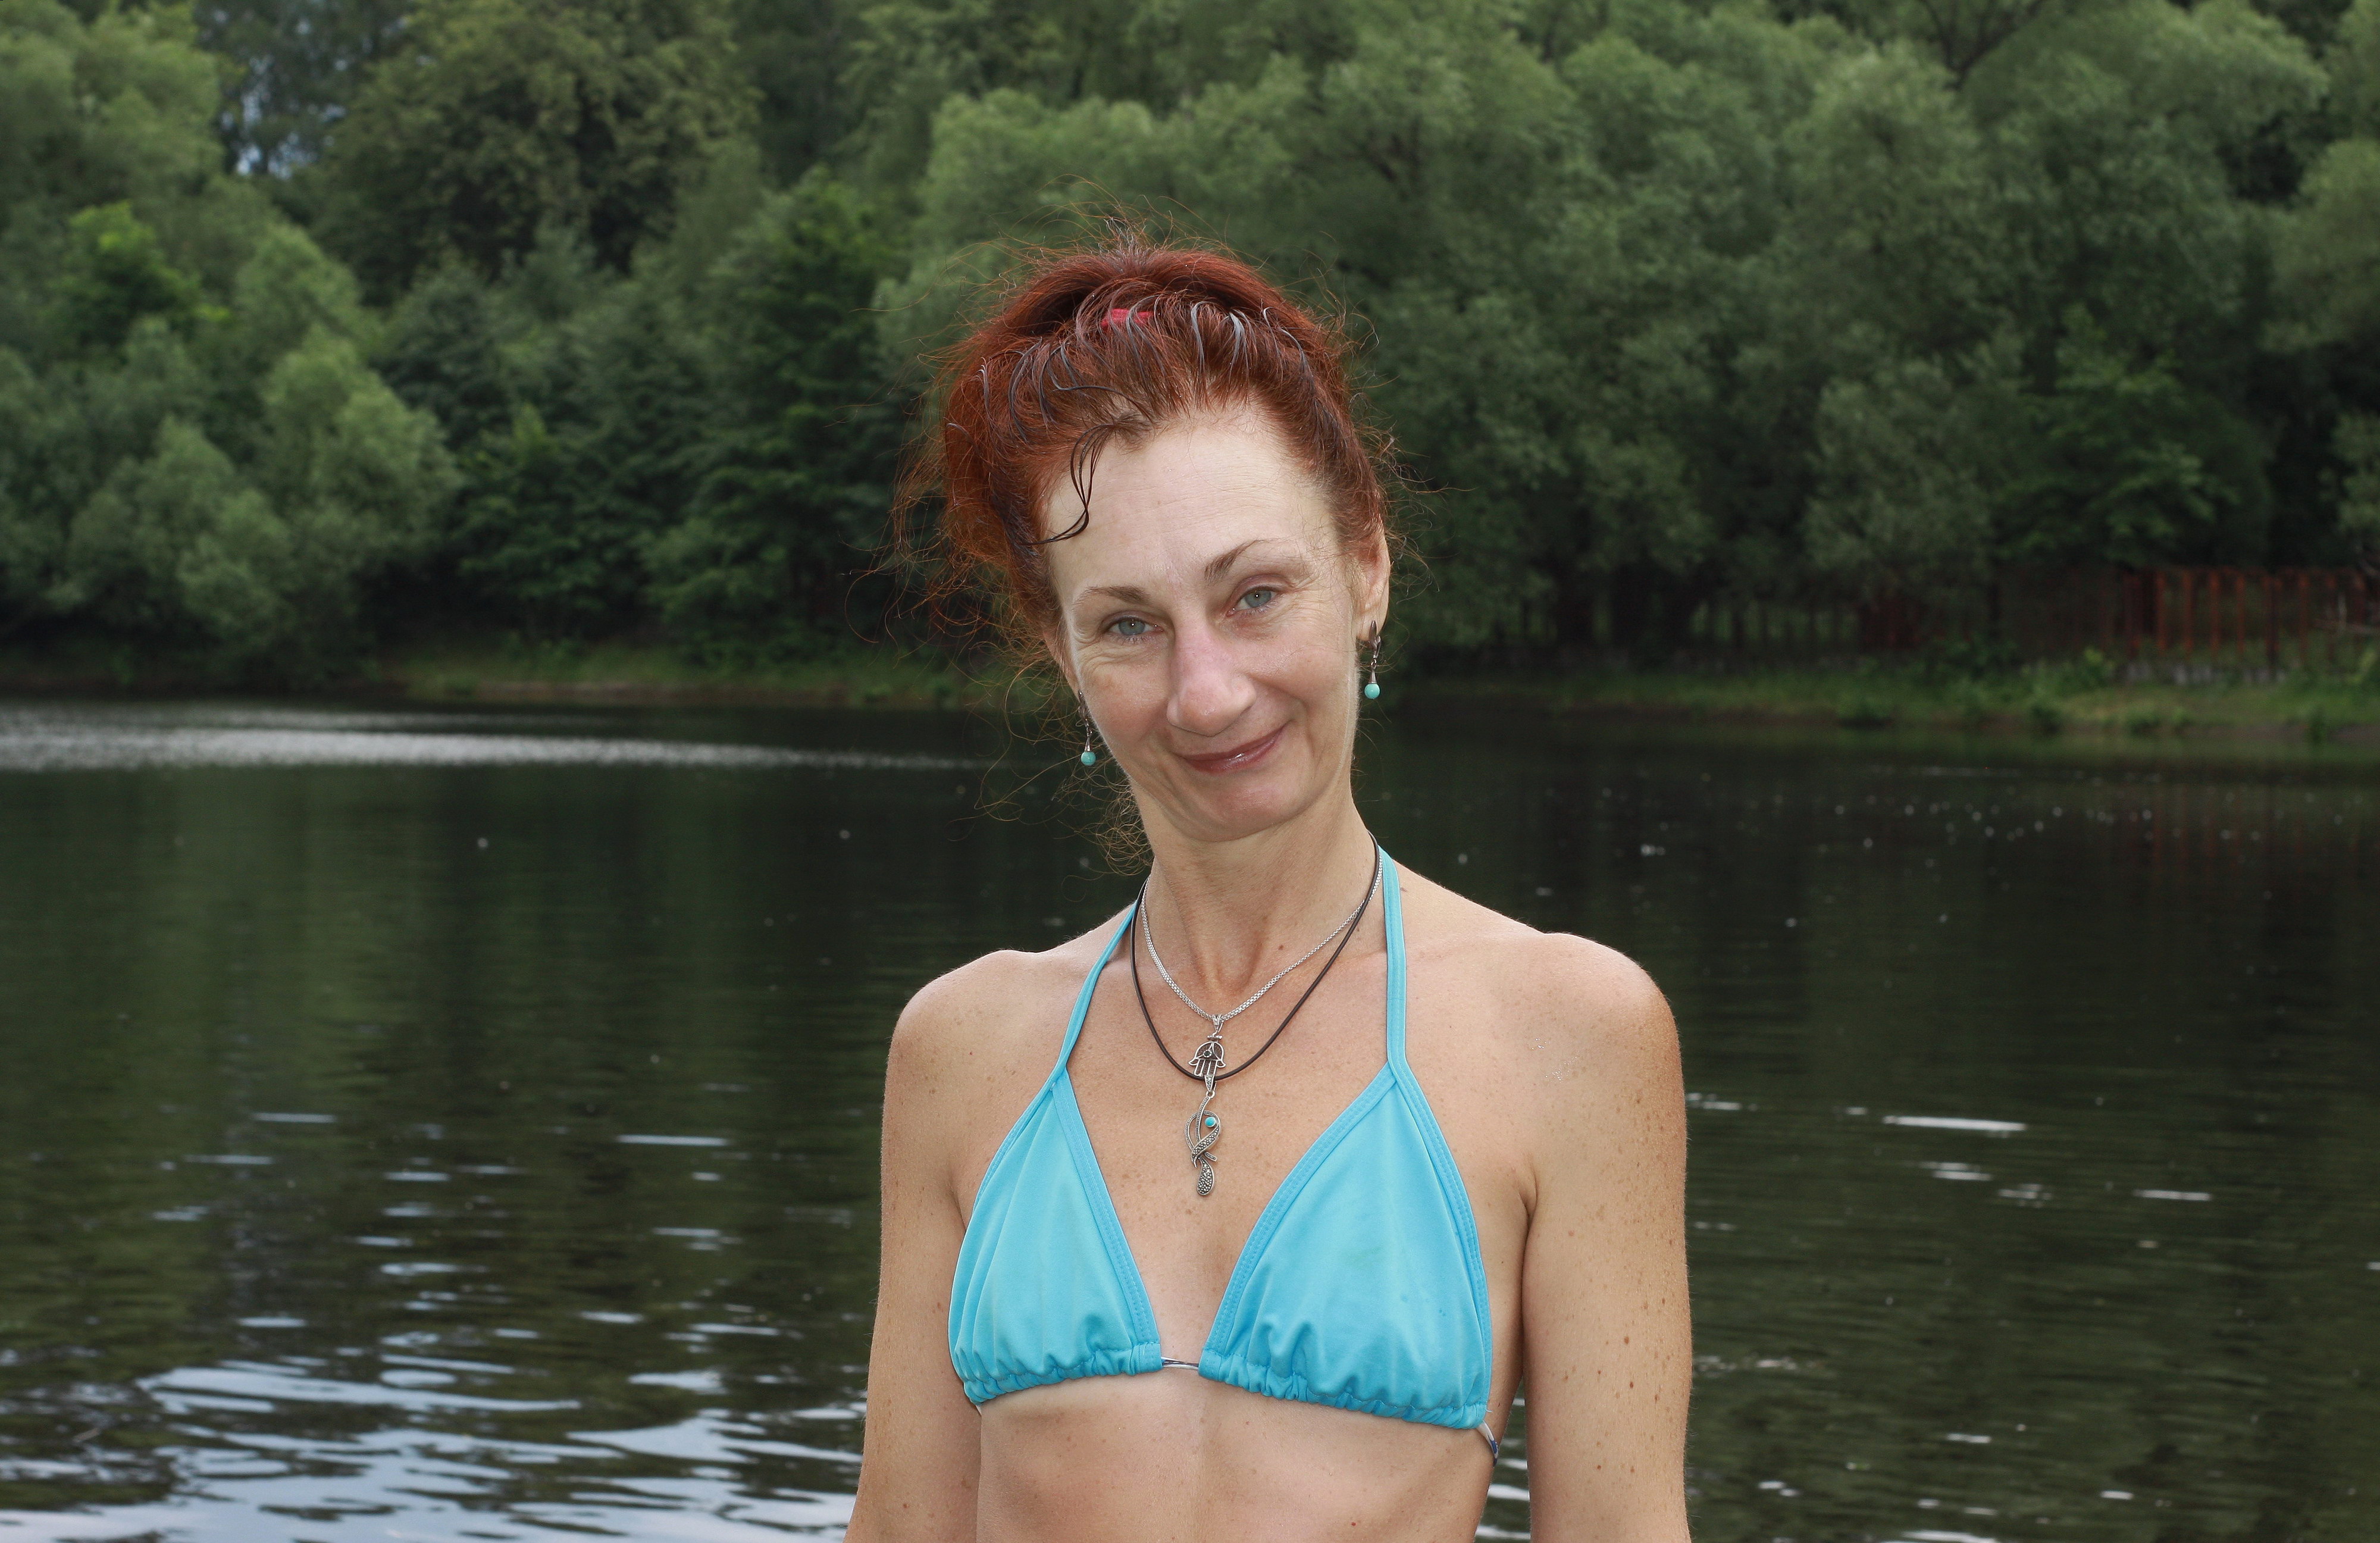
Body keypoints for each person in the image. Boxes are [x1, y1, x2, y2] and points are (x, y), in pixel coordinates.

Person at [847, 233, 1690, 1543]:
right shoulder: (962, 1047)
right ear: (1060, 650)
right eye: (1129, 624)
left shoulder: (1570, 1033)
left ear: (1366, 569)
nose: (1206, 692)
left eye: (1253, 595)